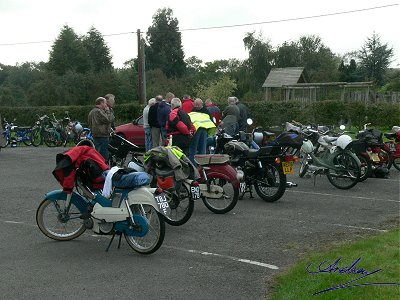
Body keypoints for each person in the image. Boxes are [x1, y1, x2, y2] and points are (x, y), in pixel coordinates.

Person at [188, 98, 216, 164]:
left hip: (201, 131)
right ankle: (195, 165)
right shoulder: (195, 110)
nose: (196, 106)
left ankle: (199, 165)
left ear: (201, 104)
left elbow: (210, 122)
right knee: (198, 148)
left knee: (198, 148)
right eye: (195, 104)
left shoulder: (206, 111)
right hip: (197, 130)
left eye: (198, 105)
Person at [88, 97, 115, 162]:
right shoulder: (98, 111)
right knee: (103, 156)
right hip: (102, 135)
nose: (106, 105)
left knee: (97, 153)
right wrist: (108, 111)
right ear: (101, 103)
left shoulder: (91, 111)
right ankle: (104, 168)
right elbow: (109, 119)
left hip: (95, 135)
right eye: (105, 103)